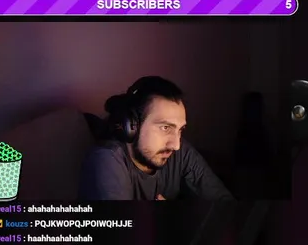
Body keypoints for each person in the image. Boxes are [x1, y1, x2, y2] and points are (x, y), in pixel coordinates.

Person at [79, 76, 233, 201]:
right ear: (131, 126)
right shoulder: (107, 159)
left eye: (180, 130)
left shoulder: (181, 152)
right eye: (165, 128)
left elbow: (226, 206)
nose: (176, 145)